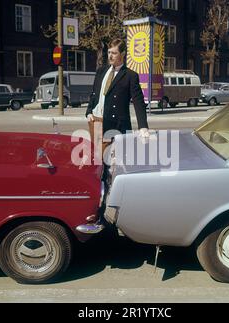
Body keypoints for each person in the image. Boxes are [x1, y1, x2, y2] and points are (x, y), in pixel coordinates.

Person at [77, 38, 149, 234]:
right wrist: (89, 112)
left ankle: (112, 211)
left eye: (114, 53)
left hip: (116, 126)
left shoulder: (130, 76)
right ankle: (96, 206)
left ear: (123, 54)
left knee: (113, 169)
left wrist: (143, 127)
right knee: (98, 165)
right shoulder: (101, 71)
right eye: (109, 52)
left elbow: (139, 102)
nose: (110, 56)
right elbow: (94, 94)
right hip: (96, 122)